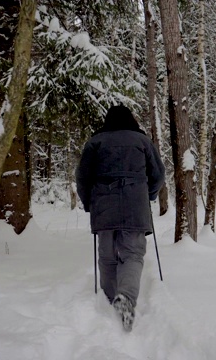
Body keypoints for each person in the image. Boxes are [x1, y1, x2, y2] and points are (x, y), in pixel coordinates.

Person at [76, 104, 165, 331]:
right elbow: (158, 174)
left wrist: (89, 204)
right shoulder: (142, 141)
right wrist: (149, 195)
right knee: (133, 254)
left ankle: (108, 301)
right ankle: (125, 297)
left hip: (103, 206)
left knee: (107, 256)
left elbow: (83, 178)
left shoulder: (95, 142)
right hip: (135, 205)